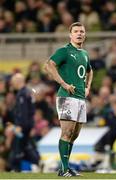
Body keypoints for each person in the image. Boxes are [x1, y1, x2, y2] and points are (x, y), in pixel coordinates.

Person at [44, 22, 93, 177]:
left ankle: (65, 168)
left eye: (82, 31)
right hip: (66, 97)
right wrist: (63, 84)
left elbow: (90, 71)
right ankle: (64, 169)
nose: (79, 34)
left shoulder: (84, 54)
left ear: (85, 35)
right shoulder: (64, 51)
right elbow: (49, 65)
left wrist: (88, 87)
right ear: (70, 34)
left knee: (74, 135)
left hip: (80, 98)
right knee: (67, 132)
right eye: (76, 31)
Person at [8, 73, 40, 171]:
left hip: (23, 127)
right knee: (25, 147)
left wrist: (20, 126)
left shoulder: (22, 94)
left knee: (18, 149)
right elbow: (31, 111)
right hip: (27, 126)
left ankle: (16, 169)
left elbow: (23, 112)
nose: (12, 84)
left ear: (18, 81)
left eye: (13, 81)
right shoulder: (28, 92)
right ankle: (36, 163)